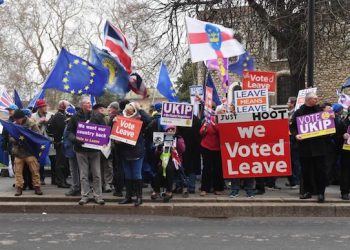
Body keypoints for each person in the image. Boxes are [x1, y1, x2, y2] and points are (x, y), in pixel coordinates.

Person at [66, 96, 106, 205]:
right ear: (82, 105)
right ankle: (85, 196)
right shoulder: (75, 117)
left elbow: (104, 130)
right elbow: (69, 132)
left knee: (96, 174)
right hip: (80, 150)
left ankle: (98, 196)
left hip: (94, 150)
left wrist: (102, 140)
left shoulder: (97, 116)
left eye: (90, 103)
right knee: (83, 175)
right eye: (87, 103)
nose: (89, 105)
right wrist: (75, 139)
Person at [290, 92, 328, 203]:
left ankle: (321, 193)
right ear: (308, 100)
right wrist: (296, 134)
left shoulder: (321, 111)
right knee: (306, 171)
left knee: (320, 171)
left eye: (316, 98)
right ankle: (308, 191)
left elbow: (329, 124)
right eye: (314, 99)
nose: (317, 100)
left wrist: (331, 117)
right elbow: (292, 127)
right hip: (305, 148)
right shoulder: (299, 112)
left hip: (319, 147)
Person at [118, 102, 150, 206]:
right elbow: (113, 130)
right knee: (128, 174)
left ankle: (139, 197)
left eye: (130, 111)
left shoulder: (139, 119)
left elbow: (148, 121)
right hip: (124, 151)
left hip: (137, 151)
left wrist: (139, 108)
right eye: (127, 111)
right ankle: (128, 196)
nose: (128, 113)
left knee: (136, 174)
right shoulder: (120, 118)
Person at [10, 109, 43, 196]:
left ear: (22, 117)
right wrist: (17, 139)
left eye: (17, 119)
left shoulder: (32, 124)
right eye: (15, 119)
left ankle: (37, 187)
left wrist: (27, 139)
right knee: (18, 172)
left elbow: (38, 135)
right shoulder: (14, 125)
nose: (16, 121)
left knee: (34, 170)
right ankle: (19, 188)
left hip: (30, 152)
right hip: (18, 152)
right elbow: (10, 137)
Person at [151, 125, 186, 202]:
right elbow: (156, 153)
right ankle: (156, 190)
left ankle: (169, 191)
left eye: (172, 129)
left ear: (175, 131)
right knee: (160, 170)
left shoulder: (178, 138)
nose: (170, 131)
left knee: (169, 169)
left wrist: (176, 146)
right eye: (168, 129)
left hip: (174, 160)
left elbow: (183, 150)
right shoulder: (161, 137)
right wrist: (159, 148)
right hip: (163, 159)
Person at [199, 105, 225, 196]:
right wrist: (204, 129)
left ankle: (218, 188)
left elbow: (222, 133)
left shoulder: (225, 121)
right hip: (207, 147)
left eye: (224, 111)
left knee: (218, 169)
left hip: (218, 148)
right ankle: (204, 188)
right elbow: (201, 132)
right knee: (207, 168)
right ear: (217, 112)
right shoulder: (209, 119)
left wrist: (215, 126)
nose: (223, 112)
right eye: (222, 111)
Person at [46, 100, 70, 188]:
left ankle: (63, 180)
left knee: (62, 162)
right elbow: (62, 129)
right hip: (60, 142)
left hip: (60, 142)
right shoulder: (60, 116)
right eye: (68, 106)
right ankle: (60, 181)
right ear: (63, 106)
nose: (69, 108)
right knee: (60, 163)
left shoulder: (60, 115)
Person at [31, 99, 54, 185]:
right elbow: (31, 127)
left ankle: (54, 179)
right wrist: (39, 122)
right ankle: (41, 178)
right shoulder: (33, 116)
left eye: (45, 106)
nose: (45, 107)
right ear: (39, 108)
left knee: (53, 159)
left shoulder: (51, 115)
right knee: (40, 159)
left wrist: (48, 122)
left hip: (50, 140)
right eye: (43, 106)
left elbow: (55, 126)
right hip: (39, 141)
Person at [107, 102, 124, 197]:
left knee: (118, 168)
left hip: (118, 146)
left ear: (114, 109)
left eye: (111, 108)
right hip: (122, 146)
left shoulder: (115, 118)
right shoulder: (123, 117)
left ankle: (118, 189)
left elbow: (109, 130)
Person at [63, 106, 80, 196]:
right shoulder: (76, 122)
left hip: (72, 149)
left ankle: (76, 187)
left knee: (74, 170)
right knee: (79, 170)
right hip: (74, 149)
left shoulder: (70, 124)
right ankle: (78, 186)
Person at [285, 96, 301, 189]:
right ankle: (292, 181)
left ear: (292, 103)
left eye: (288, 102)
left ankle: (296, 181)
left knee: (295, 161)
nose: (287, 104)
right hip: (287, 137)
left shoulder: (296, 113)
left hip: (293, 138)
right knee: (290, 160)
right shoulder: (287, 113)